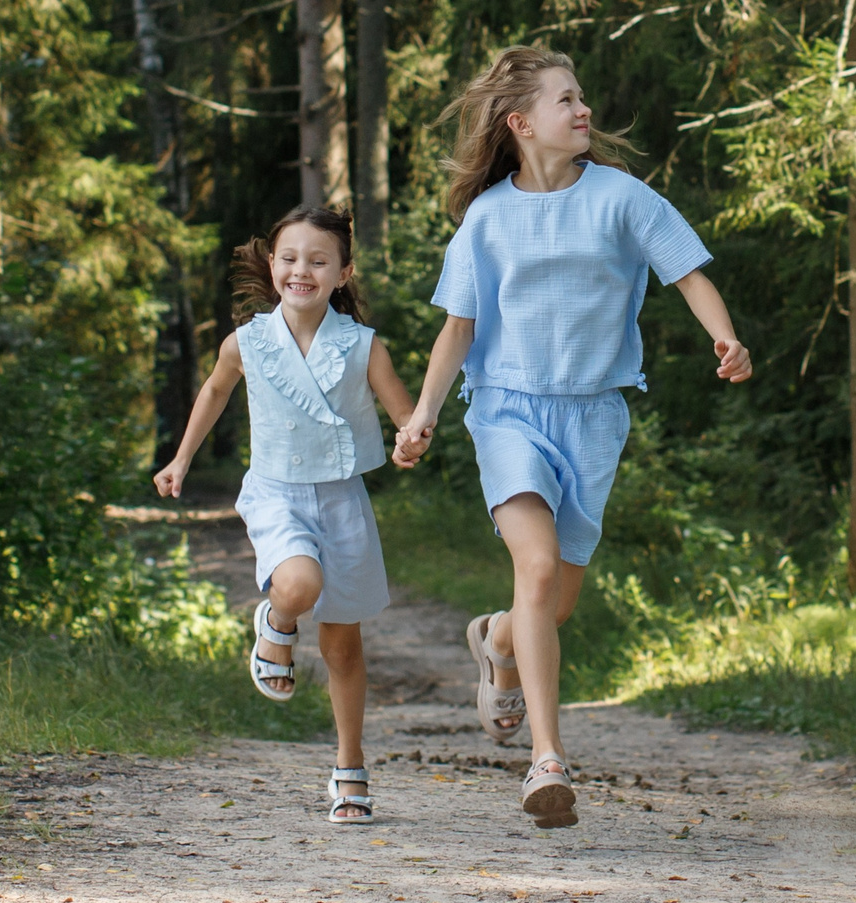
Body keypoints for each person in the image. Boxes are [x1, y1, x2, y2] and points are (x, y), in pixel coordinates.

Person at [393, 47, 752, 826]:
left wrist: (725, 338)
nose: (583, 109)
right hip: (507, 410)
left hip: (593, 417)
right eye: (566, 99)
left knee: (551, 605)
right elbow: (459, 328)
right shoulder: (487, 218)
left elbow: (688, 272)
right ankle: (546, 760)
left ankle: (496, 637)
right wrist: (423, 413)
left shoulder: (624, 199)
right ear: (522, 123)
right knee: (539, 561)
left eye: (582, 95)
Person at [153, 207, 418, 825]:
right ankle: (275, 622)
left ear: (342, 272)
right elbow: (216, 389)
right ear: (272, 266)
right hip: (275, 491)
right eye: (290, 258)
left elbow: (405, 414)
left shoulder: (362, 346)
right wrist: (182, 458)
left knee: (344, 648)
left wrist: (411, 438)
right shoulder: (245, 342)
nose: (303, 269)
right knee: (300, 584)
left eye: (319, 260)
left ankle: (349, 767)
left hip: (341, 498)